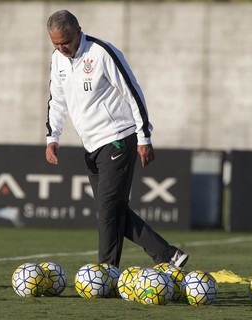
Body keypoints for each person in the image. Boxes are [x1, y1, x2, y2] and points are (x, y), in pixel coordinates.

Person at [45, 10, 189, 269]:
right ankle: (168, 255)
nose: (61, 48)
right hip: (91, 145)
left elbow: (133, 92)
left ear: (78, 31)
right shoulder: (57, 59)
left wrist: (144, 137)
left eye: (65, 42)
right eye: (55, 43)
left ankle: (106, 271)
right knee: (111, 210)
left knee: (109, 210)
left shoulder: (101, 53)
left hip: (118, 138)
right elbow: (57, 101)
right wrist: (52, 136)